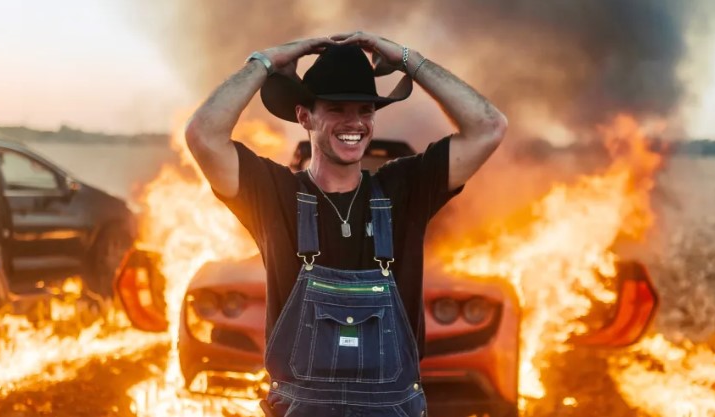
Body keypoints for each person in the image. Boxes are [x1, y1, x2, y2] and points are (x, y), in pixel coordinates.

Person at [185, 31, 507, 417]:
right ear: (304, 116)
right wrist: (266, 61)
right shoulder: (273, 194)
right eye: (336, 109)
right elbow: (203, 135)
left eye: (365, 110)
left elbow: (489, 126)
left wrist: (409, 59)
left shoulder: (405, 190)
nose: (353, 122)